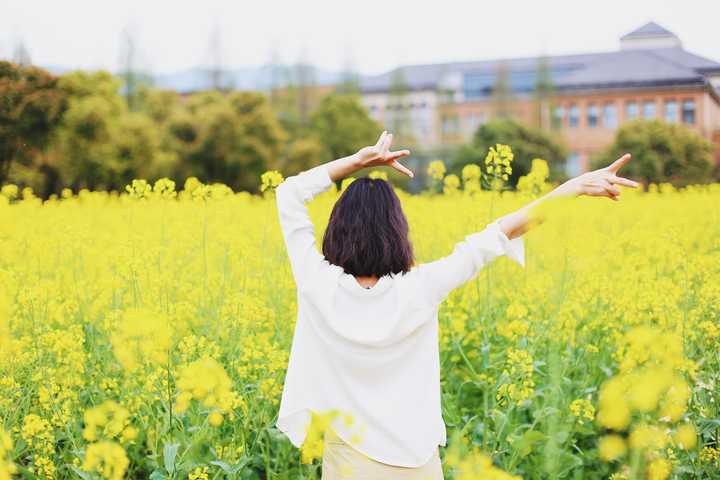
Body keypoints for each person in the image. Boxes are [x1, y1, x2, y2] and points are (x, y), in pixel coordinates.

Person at [273, 131, 638, 479]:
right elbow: (499, 233)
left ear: (335, 230)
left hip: (349, 461)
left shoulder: (316, 282)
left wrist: (358, 161)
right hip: (416, 462)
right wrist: (571, 188)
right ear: (397, 231)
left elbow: (289, 193)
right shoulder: (422, 287)